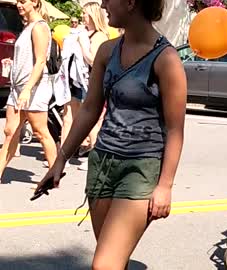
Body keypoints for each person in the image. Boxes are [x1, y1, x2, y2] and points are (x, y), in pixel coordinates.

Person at [35, 0, 187, 268]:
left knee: (104, 264)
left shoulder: (166, 59)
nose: (103, 4)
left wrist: (165, 186)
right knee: (114, 260)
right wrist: (60, 160)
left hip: (139, 169)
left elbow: (175, 130)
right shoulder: (107, 52)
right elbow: (90, 110)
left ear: (131, 3)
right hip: (102, 163)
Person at [0, 0, 57, 182]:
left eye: (23, 1)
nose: (19, 5)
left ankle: (54, 175)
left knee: (40, 132)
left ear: (35, 2)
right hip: (18, 88)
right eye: (18, 1)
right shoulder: (28, 27)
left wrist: (27, 90)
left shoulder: (39, 27)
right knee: (10, 132)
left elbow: (40, 61)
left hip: (34, 88)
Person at [58, 2, 109, 171]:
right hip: (76, 81)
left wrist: (81, 43)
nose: (82, 16)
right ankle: (62, 155)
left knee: (93, 121)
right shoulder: (84, 33)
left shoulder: (99, 36)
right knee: (68, 116)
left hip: (92, 82)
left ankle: (94, 155)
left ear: (94, 15)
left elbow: (93, 60)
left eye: (85, 14)